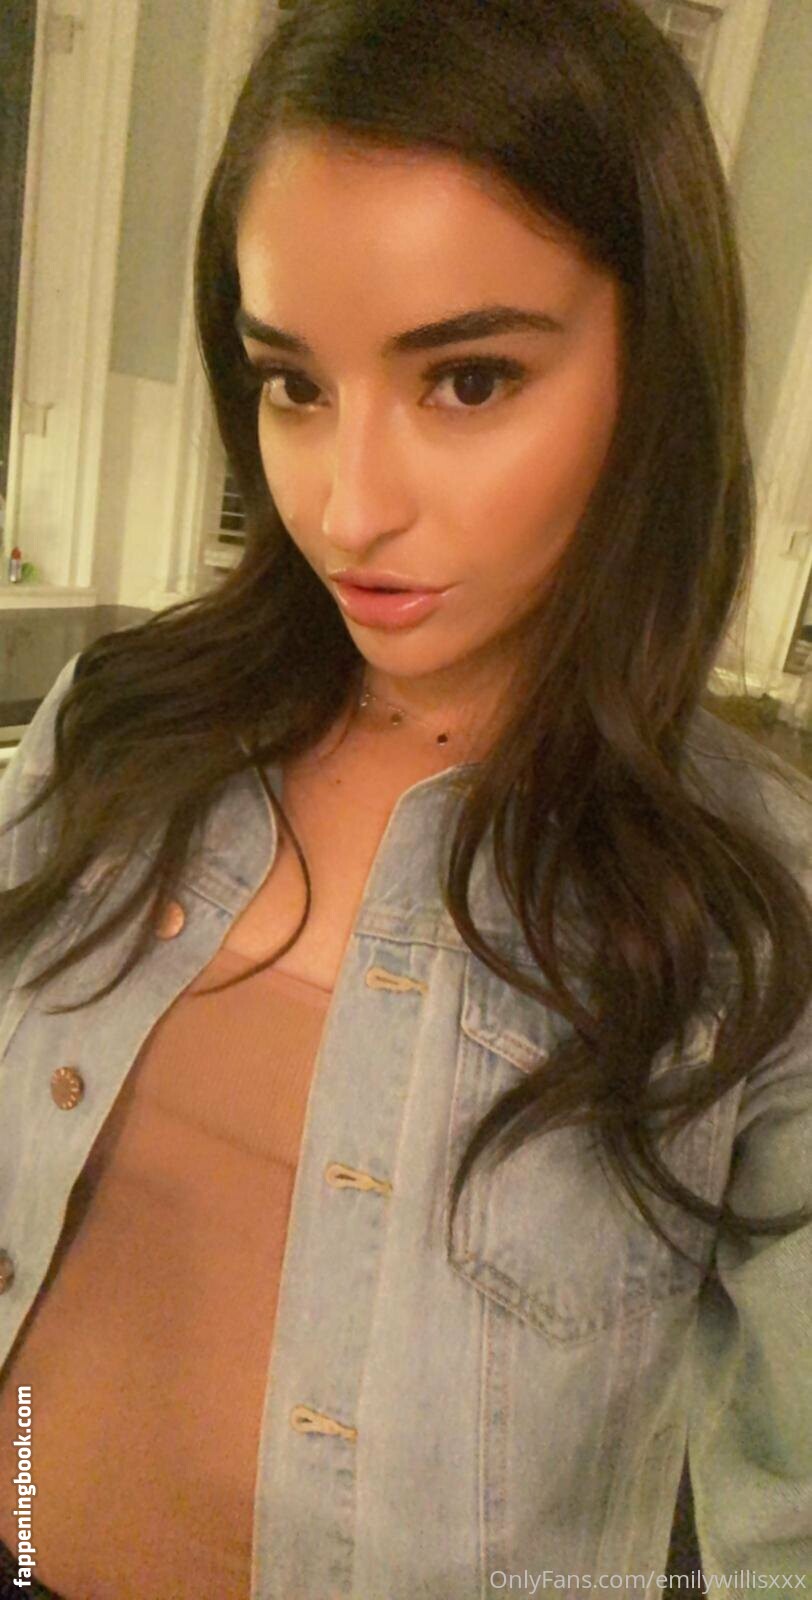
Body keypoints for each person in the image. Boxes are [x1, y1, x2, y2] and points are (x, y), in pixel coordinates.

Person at [0, 0, 810, 1595]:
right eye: (293, 385)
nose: (346, 506)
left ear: (652, 374)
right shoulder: (121, 725)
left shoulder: (753, 908)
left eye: (469, 379)